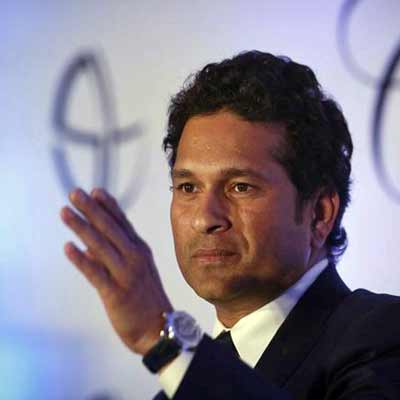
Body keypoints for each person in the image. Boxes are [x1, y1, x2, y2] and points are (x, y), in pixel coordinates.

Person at [60, 51, 400, 399]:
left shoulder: (384, 338)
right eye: (188, 187)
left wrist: (162, 338)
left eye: (241, 187)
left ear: (319, 214)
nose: (205, 218)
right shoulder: (177, 387)